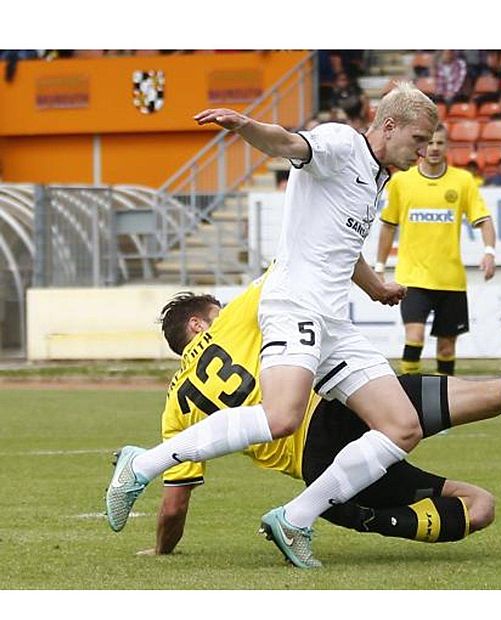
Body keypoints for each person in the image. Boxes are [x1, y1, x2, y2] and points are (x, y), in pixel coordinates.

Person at [106, 81, 439, 569]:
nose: (424, 150)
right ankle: (143, 464)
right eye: (418, 139)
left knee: (401, 426)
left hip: (332, 321)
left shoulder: (376, 180)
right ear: (389, 126)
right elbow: (289, 144)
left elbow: (341, 250)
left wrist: (375, 288)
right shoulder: (343, 144)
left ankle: (295, 519)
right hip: (294, 302)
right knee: (281, 416)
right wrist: (247, 128)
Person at [141, 291, 501, 557]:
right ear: (199, 323)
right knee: (494, 392)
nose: (227, 308)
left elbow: (174, 504)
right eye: (218, 307)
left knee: (477, 507)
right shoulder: (238, 322)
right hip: (347, 403)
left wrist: (162, 550)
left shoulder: (174, 407)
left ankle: (355, 516)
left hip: (320, 465)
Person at [376, 124, 496, 377]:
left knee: (445, 349)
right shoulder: (401, 181)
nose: (434, 148)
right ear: (421, 146)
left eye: (439, 143)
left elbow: (484, 219)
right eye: (429, 143)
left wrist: (489, 252)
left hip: (450, 280)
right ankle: (409, 395)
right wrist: (379, 267)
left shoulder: (462, 181)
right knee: (415, 336)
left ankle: (446, 403)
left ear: (447, 146)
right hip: (413, 278)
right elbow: (388, 227)